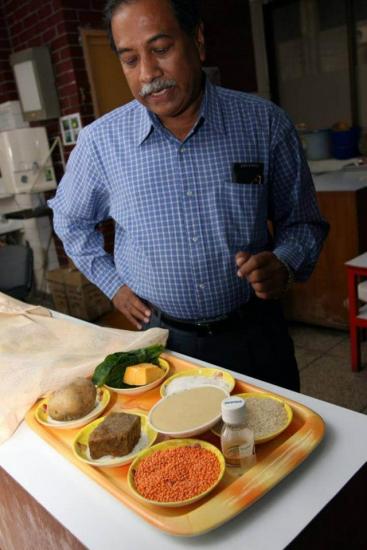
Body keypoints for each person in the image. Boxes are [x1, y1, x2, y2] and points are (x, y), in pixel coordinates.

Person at [49, 0, 329, 391]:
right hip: (162, 345)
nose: (148, 73)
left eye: (161, 50)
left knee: (275, 445)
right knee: (175, 451)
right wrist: (112, 285)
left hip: (254, 335)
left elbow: (304, 222)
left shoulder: (264, 124)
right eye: (130, 60)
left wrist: (283, 262)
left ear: (197, 41)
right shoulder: (101, 144)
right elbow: (69, 220)